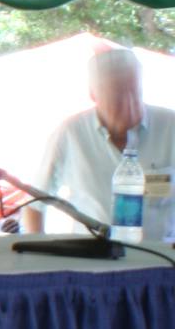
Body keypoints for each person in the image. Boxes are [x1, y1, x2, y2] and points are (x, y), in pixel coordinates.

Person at [23, 46, 174, 241]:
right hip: (92, 261)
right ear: (93, 95)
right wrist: (37, 257)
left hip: (163, 261)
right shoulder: (70, 134)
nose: (129, 105)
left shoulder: (171, 127)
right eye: (117, 97)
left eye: (136, 93)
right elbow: (35, 204)